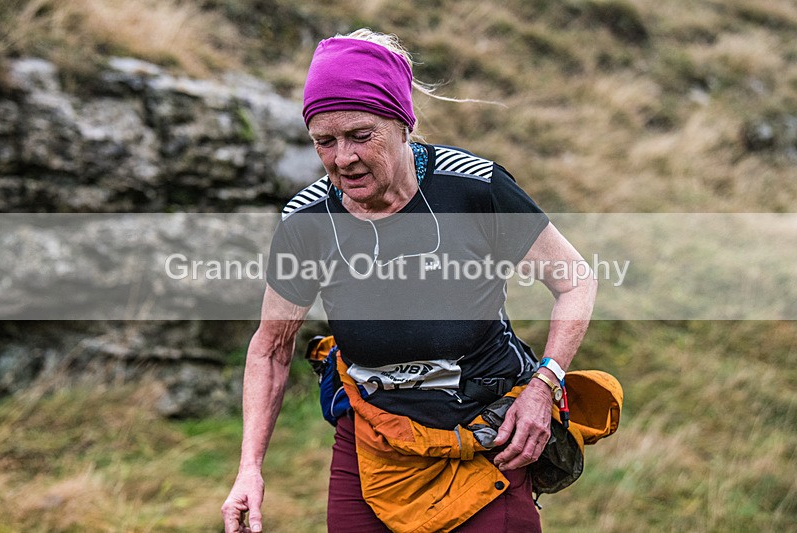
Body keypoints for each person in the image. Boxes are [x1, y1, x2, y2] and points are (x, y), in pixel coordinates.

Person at [222, 28, 597, 533]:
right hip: (373, 439)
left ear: (402, 123)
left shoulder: (472, 188)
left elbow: (575, 281)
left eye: (360, 135)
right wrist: (250, 469)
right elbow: (270, 348)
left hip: (487, 434)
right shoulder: (308, 220)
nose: (342, 159)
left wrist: (542, 387)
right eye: (323, 142)